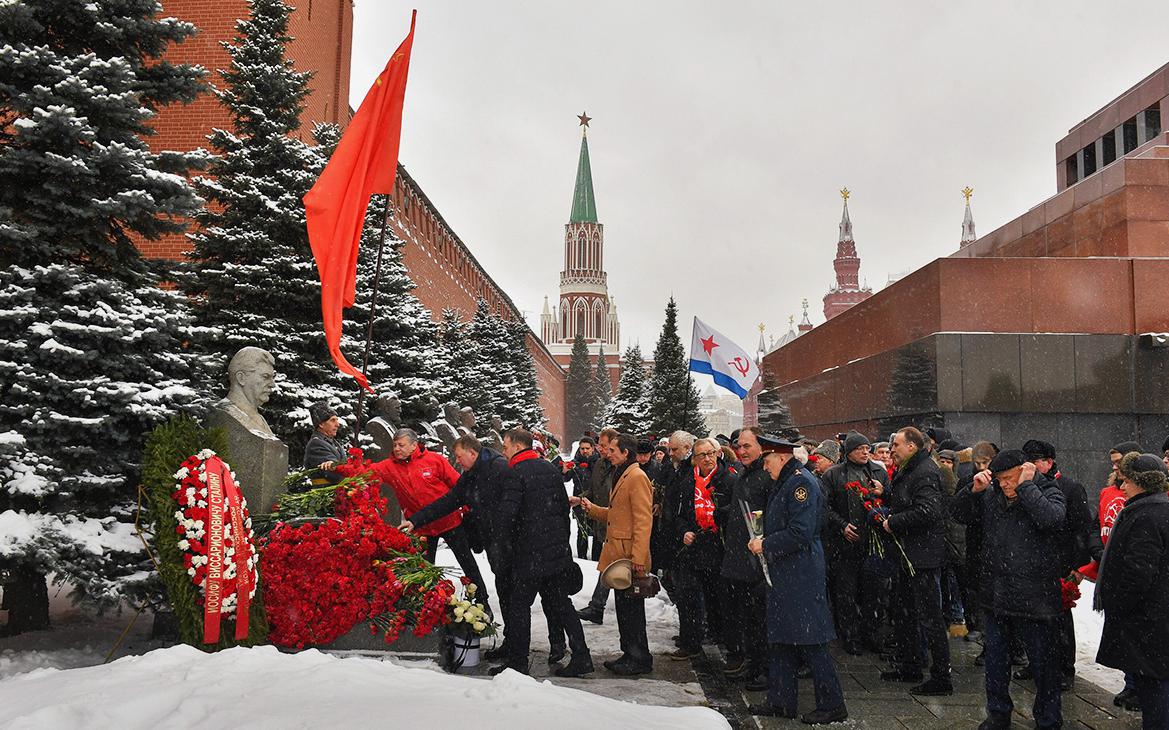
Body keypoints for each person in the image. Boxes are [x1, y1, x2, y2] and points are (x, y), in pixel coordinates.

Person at [952, 450, 1067, 730]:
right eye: (1000, 480)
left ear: (1026, 470)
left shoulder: (1048, 489)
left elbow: (1051, 519)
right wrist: (973, 491)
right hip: (997, 593)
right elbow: (958, 514)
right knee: (995, 662)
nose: (1005, 485)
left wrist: (1026, 487)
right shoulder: (992, 496)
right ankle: (998, 714)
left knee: (1043, 665)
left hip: (1035, 596)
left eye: (1009, 479)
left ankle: (1049, 719)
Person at [746, 434, 848, 724]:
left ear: (781, 457)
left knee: (811, 641)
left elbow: (801, 532)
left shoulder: (800, 482)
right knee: (780, 638)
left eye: (767, 461)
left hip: (800, 573)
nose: (764, 467)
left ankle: (832, 704)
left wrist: (765, 544)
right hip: (786, 572)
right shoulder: (787, 480)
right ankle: (781, 700)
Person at [490, 428, 593, 677]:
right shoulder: (549, 469)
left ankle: (517, 662)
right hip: (554, 553)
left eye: (505, 446)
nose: (503, 451)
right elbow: (561, 510)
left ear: (517, 446)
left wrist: (502, 546)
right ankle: (582, 656)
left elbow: (507, 518)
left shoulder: (516, 474)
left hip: (529, 555)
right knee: (561, 605)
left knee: (518, 606)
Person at [1096, 452, 1169, 729]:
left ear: (1141, 482)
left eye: (1125, 481)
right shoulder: (1157, 509)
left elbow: (1139, 573)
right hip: (1155, 616)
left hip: (1147, 619)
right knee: (1155, 683)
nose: (1122, 487)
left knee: (1154, 687)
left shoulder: (1145, 516)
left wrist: (1118, 603)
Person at [372, 428, 487, 603]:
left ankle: (482, 599)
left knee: (468, 564)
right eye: (395, 445)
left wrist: (469, 508)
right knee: (423, 570)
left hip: (449, 522)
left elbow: (458, 485)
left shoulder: (435, 460)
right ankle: (427, 605)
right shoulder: (389, 466)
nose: (396, 449)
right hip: (421, 526)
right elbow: (364, 471)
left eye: (401, 445)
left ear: (413, 445)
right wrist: (335, 466)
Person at [573, 432, 655, 676]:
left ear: (625, 453)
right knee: (624, 607)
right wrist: (593, 509)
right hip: (619, 553)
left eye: (612, 450)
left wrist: (638, 560)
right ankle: (630, 653)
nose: (607, 453)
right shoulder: (622, 473)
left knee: (631, 609)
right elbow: (618, 514)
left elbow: (643, 520)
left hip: (629, 556)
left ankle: (638, 657)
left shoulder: (636, 476)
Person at [881, 426, 953, 695]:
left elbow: (927, 511)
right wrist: (884, 496)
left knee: (930, 617)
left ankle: (941, 677)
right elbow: (905, 501)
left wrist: (892, 523)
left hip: (922, 558)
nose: (891, 451)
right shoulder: (910, 469)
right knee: (905, 613)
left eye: (896, 446)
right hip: (907, 555)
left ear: (911, 446)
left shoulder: (924, 471)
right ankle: (909, 665)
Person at [1021, 439, 1093, 690]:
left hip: (1061, 564)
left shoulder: (1071, 488)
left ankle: (1064, 668)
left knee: (1060, 619)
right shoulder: (1024, 487)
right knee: (1032, 618)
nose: (1028, 466)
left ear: (1049, 463)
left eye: (1035, 461)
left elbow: (1082, 528)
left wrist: (1077, 568)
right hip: (1032, 563)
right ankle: (1035, 662)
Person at [1078, 440, 1143, 710]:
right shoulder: (1108, 492)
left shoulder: (1143, 496)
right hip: (1110, 566)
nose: (1115, 467)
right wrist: (1097, 550)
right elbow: (1096, 525)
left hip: (1131, 571)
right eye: (1113, 462)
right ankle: (1130, 683)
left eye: (1120, 461)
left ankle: (1140, 686)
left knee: (1138, 633)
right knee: (1121, 632)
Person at [821, 431, 889, 655]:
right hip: (844, 546)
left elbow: (891, 499)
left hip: (873, 543)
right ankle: (850, 636)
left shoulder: (878, 472)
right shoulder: (833, 475)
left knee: (874, 594)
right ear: (848, 452)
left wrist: (883, 494)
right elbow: (825, 507)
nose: (865, 452)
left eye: (867, 448)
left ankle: (874, 635)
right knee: (846, 594)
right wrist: (842, 526)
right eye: (860, 448)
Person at [669, 437, 733, 660]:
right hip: (694, 548)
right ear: (694, 459)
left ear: (717, 454)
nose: (707, 458)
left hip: (719, 548)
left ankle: (722, 638)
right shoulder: (687, 482)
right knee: (688, 597)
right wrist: (683, 531)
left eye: (710, 454)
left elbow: (734, 513)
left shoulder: (729, 479)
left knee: (719, 598)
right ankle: (690, 642)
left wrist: (718, 517)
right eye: (702, 455)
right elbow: (678, 516)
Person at [716, 427, 770, 690]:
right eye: (739, 446)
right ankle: (752, 663)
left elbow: (764, 516)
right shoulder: (744, 474)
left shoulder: (767, 476)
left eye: (748, 446)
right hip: (738, 558)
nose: (742, 450)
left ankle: (763, 669)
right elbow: (743, 509)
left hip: (756, 561)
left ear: (761, 447)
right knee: (745, 618)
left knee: (759, 619)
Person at [576, 428, 618, 624]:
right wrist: (579, 500)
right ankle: (597, 606)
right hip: (602, 522)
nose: (600, 449)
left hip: (618, 525)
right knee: (609, 566)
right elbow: (593, 491)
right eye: (599, 445)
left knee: (613, 566)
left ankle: (597, 606)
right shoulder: (600, 465)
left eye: (603, 446)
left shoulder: (623, 467)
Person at [564, 436, 598, 559]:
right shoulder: (576, 462)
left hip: (595, 500)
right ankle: (582, 557)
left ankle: (596, 558)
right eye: (582, 448)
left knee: (596, 532)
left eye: (587, 448)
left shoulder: (599, 462)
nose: (584, 451)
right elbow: (566, 478)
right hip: (578, 500)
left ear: (593, 448)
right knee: (581, 529)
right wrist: (564, 471)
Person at [303, 401, 346, 486]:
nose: (337, 424)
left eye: (337, 420)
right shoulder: (316, 444)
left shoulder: (333, 442)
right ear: (321, 424)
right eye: (333, 420)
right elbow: (334, 474)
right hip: (327, 496)